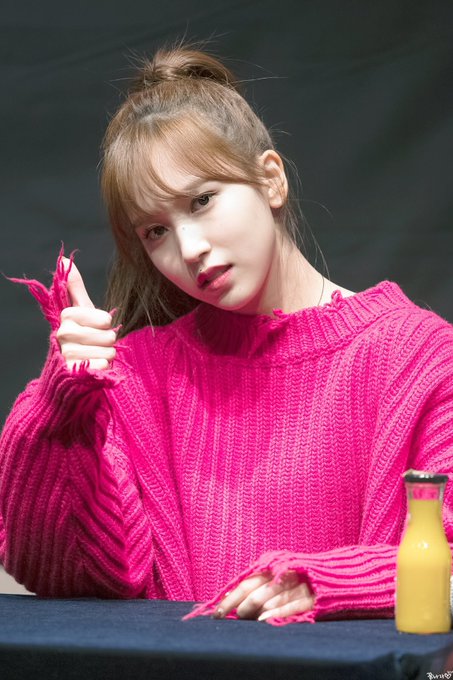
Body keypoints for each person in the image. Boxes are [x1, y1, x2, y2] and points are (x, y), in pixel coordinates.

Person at [1, 44, 453, 626]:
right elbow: (64, 577)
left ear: (271, 179)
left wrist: (337, 585)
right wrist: (62, 413)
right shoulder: (132, 376)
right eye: (156, 231)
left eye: (202, 201)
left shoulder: (418, 357)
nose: (189, 249)